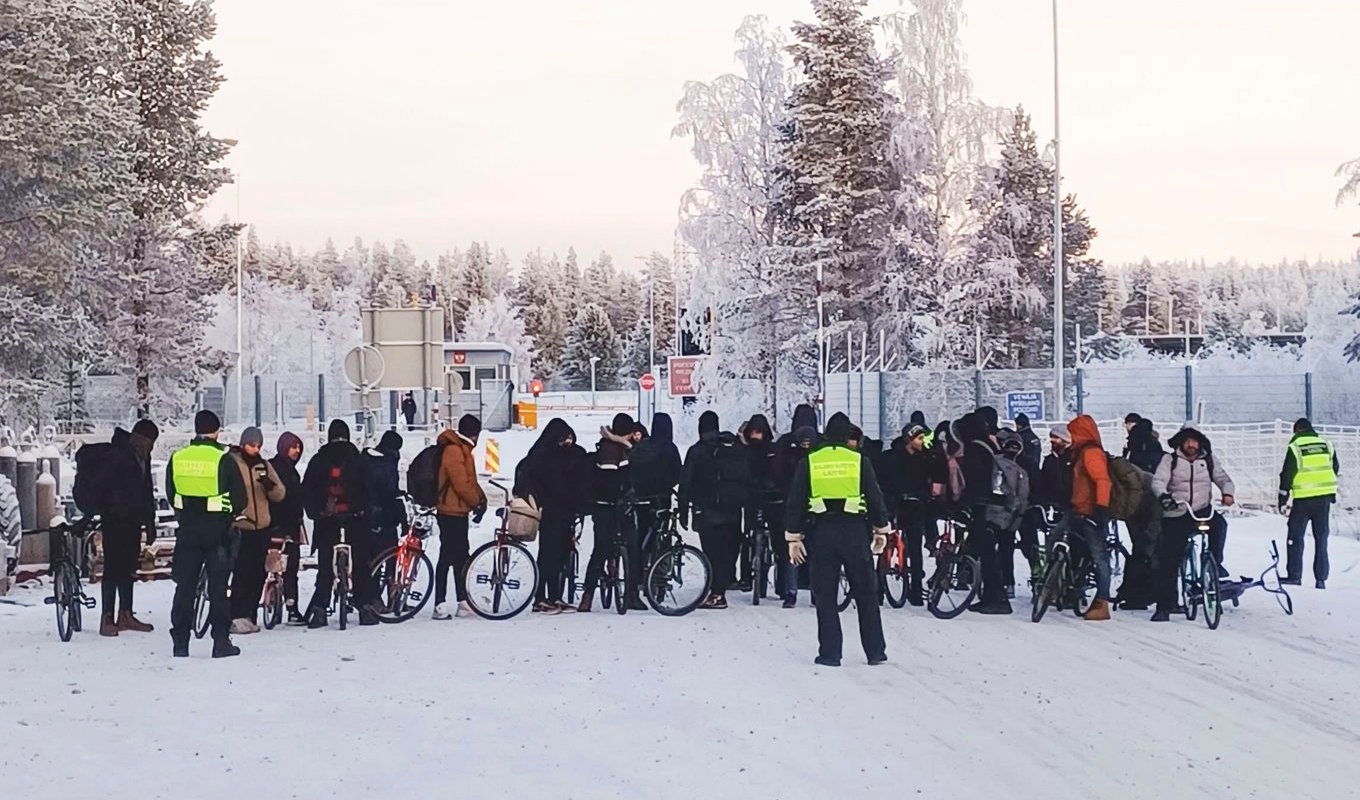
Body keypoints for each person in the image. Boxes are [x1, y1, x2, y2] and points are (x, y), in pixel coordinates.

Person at [785, 412, 890, 667]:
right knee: (866, 593)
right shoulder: (859, 461)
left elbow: (796, 502)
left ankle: (830, 653)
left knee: (826, 596)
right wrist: (881, 530)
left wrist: (793, 537)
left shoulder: (810, 462)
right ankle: (875, 651)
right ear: (847, 436)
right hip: (855, 532)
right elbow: (875, 498)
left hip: (822, 533)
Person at [166, 410, 247, 658]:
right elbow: (240, 498)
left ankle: (180, 642)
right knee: (218, 589)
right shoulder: (224, 459)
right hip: (217, 532)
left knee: (185, 587)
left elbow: (171, 493)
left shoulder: (178, 457)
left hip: (188, 531)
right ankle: (220, 642)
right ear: (216, 431)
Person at [1151, 427, 1236, 621]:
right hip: (1178, 512)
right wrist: (1164, 497)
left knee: (1220, 526)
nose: (1191, 445)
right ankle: (1165, 606)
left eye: (1194, 441)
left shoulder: (1208, 459)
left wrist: (1227, 492)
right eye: (1187, 441)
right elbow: (1158, 481)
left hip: (1202, 510)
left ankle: (1215, 565)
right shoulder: (1170, 460)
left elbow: (1222, 478)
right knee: (1170, 559)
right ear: (1181, 443)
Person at [301, 419, 369, 628]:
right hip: (353, 518)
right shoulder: (357, 458)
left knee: (325, 566)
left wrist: (316, 512)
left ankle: (320, 609)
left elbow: (308, 489)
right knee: (360, 563)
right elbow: (368, 487)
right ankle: (365, 607)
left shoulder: (319, 459)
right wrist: (363, 510)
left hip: (327, 520)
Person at [679, 411, 750, 609]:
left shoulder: (698, 451)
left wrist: (684, 510)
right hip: (733, 509)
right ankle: (721, 588)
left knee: (712, 552)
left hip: (707, 509)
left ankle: (717, 594)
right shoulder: (733, 447)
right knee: (728, 550)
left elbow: (686, 481)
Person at [516, 418, 586, 614]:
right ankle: (540, 598)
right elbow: (549, 483)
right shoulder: (542, 456)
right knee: (548, 555)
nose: (568, 442)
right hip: (549, 512)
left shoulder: (559, 455)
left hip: (564, 513)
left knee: (560, 555)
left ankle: (554, 596)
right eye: (565, 438)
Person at [97, 419, 160, 637]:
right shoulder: (118, 454)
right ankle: (107, 617)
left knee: (128, 568)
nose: (150, 447)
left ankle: (125, 613)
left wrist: (149, 522)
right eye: (149, 441)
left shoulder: (142, 455)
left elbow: (146, 490)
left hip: (132, 522)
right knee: (113, 569)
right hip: (114, 521)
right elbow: (105, 487)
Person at [227, 426, 286, 634]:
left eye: (259, 445)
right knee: (242, 572)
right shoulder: (232, 463)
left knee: (258, 573)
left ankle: (250, 613)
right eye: (252, 445)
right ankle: (236, 614)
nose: (255, 449)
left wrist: (270, 486)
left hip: (262, 526)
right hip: (241, 525)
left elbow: (280, 493)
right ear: (243, 444)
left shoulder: (264, 465)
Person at [579, 413, 639, 612]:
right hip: (607, 505)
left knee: (602, 549)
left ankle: (588, 597)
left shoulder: (617, 446)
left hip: (608, 505)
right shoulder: (610, 449)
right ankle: (589, 595)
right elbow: (611, 479)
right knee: (609, 548)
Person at [432, 415, 487, 619]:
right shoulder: (454, 450)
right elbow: (461, 484)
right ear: (474, 433)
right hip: (449, 512)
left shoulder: (462, 450)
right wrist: (476, 502)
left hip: (457, 511)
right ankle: (441, 603)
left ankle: (462, 601)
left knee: (459, 556)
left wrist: (481, 498)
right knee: (448, 556)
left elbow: (470, 481)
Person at [955, 412, 1008, 614]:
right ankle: (992, 595)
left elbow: (975, 483)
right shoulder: (989, 444)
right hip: (996, 506)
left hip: (983, 508)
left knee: (986, 553)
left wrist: (963, 504)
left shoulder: (975, 449)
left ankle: (996, 597)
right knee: (988, 552)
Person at [1279, 418, 1339, 589]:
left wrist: (1282, 499)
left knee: (1295, 537)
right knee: (1321, 538)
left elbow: (1287, 474)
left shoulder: (1295, 447)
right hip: (1323, 499)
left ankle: (1294, 576)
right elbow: (1334, 468)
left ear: (1297, 431)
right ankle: (1321, 579)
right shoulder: (1326, 444)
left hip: (1303, 500)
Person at [771, 404, 819, 607]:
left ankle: (789, 591)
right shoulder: (821, 443)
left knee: (792, 544)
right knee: (817, 548)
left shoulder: (784, 443)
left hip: (789, 502)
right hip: (816, 502)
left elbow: (775, 471)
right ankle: (817, 592)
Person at [1067, 415, 1115, 621]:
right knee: (1082, 552)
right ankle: (1070, 589)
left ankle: (1103, 601)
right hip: (1079, 510)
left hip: (1090, 512)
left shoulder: (1091, 453)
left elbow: (1103, 481)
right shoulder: (1081, 453)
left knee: (1099, 558)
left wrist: (1100, 509)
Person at [883, 423, 933, 606]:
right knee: (887, 544)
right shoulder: (893, 458)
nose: (923, 442)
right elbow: (887, 481)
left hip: (916, 506)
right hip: (896, 505)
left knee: (915, 548)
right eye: (919, 438)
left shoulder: (925, 458)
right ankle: (880, 587)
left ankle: (916, 590)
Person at [365, 430, 406, 621]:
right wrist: (401, 517)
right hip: (385, 519)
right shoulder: (385, 464)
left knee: (373, 560)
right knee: (388, 559)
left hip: (369, 518)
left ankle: (375, 597)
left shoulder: (367, 459)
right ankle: (386, 598)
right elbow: (390, 493)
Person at [268, 432, 307, 625]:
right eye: (293, 447)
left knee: (285, 567)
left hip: (277, 525)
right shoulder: (280, 470)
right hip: (281, 526)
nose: (297, 451)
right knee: (290, 568)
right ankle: (292, 608)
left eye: (299, 447)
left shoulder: (285, 469)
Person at [742, 414, 780, 595]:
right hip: (751, 497)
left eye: (759, 432)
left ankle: (780, 580)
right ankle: (746, 577)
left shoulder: (773, 450)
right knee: (747, 537)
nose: (755, 436)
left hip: (770, 498)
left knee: (777, 539)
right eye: (753, 432)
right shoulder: (745, 450)